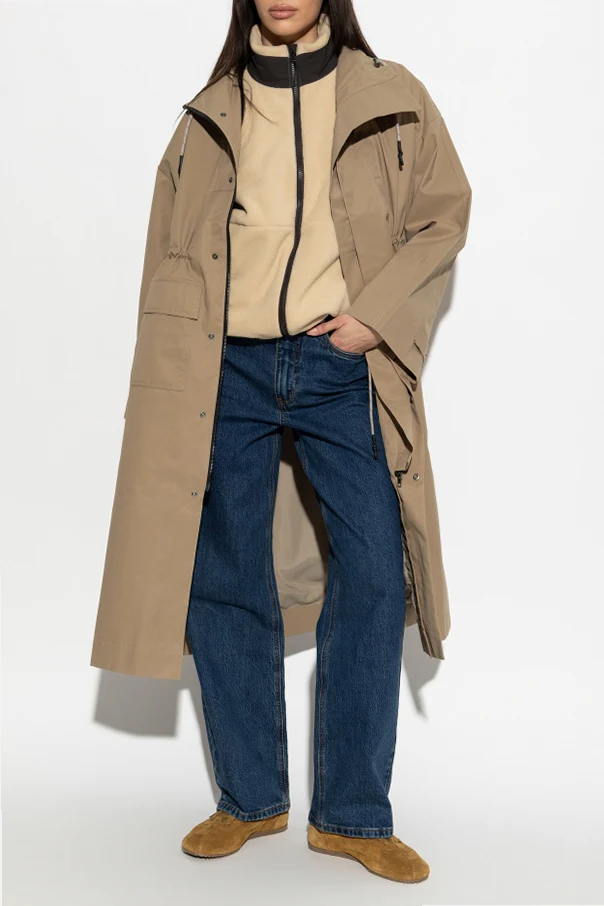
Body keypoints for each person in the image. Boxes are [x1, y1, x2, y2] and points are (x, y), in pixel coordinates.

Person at [90, 0, 472, 883]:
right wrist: (174, 371)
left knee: (375, 570)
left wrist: (373, 319)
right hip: (228, 366)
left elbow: (443, 216)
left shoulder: (390, 95)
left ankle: (353, 815)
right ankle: (249, 799)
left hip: (340, 364)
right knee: (225, 573)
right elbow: (167, 260)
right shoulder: (209, 113)